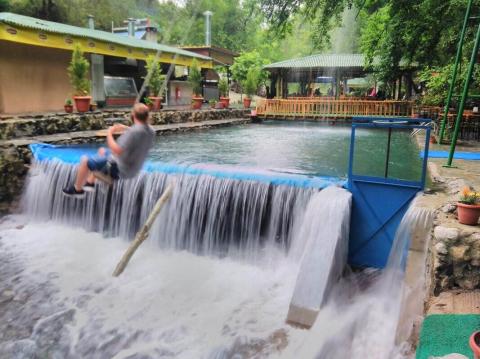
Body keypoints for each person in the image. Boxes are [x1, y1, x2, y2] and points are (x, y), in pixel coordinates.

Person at [62, 103, 155, 198]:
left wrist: (109, 133)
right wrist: (125, 128)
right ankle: (90, 182)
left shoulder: (133, 133)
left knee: (85, 160)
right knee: (102, 151)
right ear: (147, 116)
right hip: (134, 169)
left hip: (119, 169)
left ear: (133, 115)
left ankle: (77, 189)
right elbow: (139, 131)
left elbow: (116, 149)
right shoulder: (151, 131)